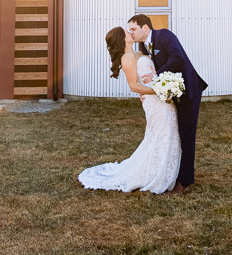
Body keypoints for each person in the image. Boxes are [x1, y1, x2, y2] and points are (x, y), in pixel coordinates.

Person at [78, 26, 182, 194]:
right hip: (153, 100)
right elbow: (134, 86)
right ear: (122, 38)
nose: (131, 33)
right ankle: (154, 173)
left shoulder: (138, 53)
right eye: (127, 32)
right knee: (160, 133)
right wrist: (160, 90)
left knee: (169, 131)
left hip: (162, 97)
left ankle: (166, 171)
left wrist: (166, 86)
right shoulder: (127, 58)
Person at [127, 13, 207, 195]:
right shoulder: (143, 46)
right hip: (170, 95)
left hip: (188, 91)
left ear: (145, 28)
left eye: (133, 29)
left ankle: (185, 182)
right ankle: (170, 173)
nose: (131, 32)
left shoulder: (164, 35)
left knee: (187, 136)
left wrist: (156, 80)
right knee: (174, 135)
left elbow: (177, 58)